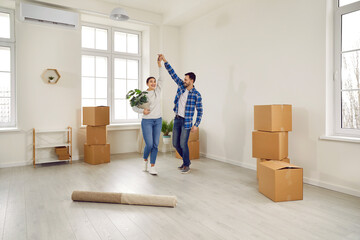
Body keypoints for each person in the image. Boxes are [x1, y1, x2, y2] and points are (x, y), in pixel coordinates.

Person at [160, 54, 203, 174]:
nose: (184, 81)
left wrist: (196, 124)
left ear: (192, 81)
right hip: (177, 119)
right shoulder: (181, 86)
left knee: (183, 143)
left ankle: (186, 165)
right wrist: (164, 60)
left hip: (187, 122)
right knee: (175, 143)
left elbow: (200, 111)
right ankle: (186, 162)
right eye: (184, 79)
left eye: (186, 79)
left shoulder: (196, 94)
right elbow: (172, 74)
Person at [132, 55, 165, 175]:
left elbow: (162, 78)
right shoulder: (143, 94)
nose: (154, 83)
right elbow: (134, 106)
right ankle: (145, 160)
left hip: (158, 120)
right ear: (147, 83)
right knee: (149, 144)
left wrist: (159, 64)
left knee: (155, 145)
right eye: (151, 81)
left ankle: (152, 166)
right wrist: (142, 111)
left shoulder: (158, 91)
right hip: (147, 121)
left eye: (154, 81)